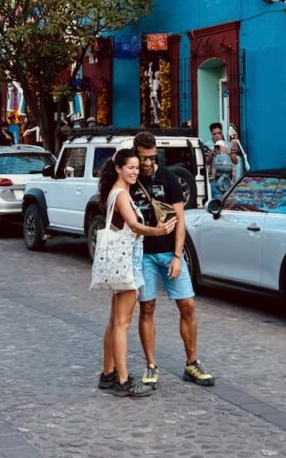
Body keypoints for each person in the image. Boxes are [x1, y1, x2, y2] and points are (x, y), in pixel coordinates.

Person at [131, 130, 215, 390]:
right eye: (141, 158)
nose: (146, 163)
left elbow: (180, 220)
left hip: (169, 251)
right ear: (135, 154)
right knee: (147, 308)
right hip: (142, 253)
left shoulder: (168, 178)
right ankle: (151, 365)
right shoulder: (129, 178)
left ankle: (192, 362)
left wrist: (178, 256)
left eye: (150, 157)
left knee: (187, 305)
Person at [98, 148, 177, 399]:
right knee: (122, 324)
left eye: (136, 167)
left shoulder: (118, 192)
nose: (135, 171)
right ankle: (122, 380)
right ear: (119, 169)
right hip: (127, 263)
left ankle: (108, 373)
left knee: (114, 321)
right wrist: (159, 230)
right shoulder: (121, 194)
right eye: (130, 167)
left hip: (121, 261)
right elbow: (133, 225)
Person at [206, 121, 237, 200]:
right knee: (218, 203)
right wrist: (212, 154)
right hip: (215, 180)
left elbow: (235, 161)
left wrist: (229, 152)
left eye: (219, 133)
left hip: (228, 181)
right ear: (211, 134)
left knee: (228, 203)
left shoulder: (229, 145)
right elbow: (207, 162)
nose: (217, 136)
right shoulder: (208, 146)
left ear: (222, 132)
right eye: (214, 134)